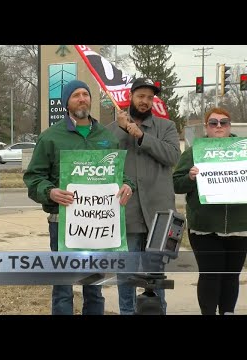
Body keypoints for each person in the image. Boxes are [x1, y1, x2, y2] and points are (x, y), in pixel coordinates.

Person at [23, 80, 134, 315]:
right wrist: (50, 191)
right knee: (63, 287)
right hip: (62, 224)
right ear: (66, 103)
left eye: (86, 94)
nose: (82, 99)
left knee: (94, 287)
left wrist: (127, 185)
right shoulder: (51, 137)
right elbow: (33, 178)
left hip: (98, 225)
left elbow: (122, 174)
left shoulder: (107, 136)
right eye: (76, 95)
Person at [106, 78, 181, 315]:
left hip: (158, 217)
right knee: (126, 275)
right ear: (131, 97)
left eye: (150, 97)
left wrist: (141, 136)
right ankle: (127, 312)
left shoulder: (166, 127)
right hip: (127, 214)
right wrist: (122, 131)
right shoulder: (111, 129)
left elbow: (172, 157)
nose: (145, 101)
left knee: (155, 276)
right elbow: (104, 160)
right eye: (141, 96)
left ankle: (158, 311)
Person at [173, 107, 247, 315]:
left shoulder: (243, 150)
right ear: (206, 127)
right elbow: (176, 184)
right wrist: (189, 177)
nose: (219, 126)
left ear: (230, 125)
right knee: (211, 274)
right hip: (205, 227)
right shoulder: (195, 152)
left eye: (224, 122)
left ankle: (228, 312)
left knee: (231, 275)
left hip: (239, 226)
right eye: (213, 123)